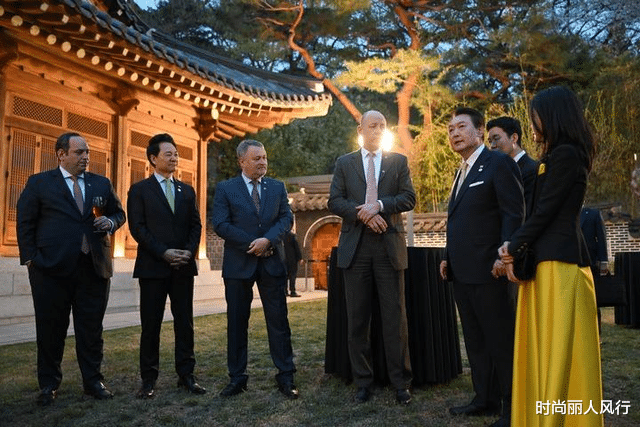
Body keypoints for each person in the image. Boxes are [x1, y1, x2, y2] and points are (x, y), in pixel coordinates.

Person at [499, 86, 604, 427]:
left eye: (536, 116)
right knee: (545, 350)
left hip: (561, 266)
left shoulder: (567, 156)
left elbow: (545, 213)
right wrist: (515, 247)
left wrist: (512, 247)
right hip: (547, 264)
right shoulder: (556, 156)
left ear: (554, 115)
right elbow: (538, 215)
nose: (533, 123)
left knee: (560, 354)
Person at [16, 132, 126, 406]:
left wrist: (110, 223)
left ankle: (93, 382)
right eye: (79, 153)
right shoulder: (40, 183)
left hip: (94, 268)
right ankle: (49, 385)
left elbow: (118, 213)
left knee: (91, 330)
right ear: (61, 154)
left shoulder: (101, 183)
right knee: (50, 329)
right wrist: (31, 259)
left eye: (87, 152)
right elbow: (25, 222)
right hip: (50, 271)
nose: (86, 157)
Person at [440, 107, 523, 427]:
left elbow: (513, 215)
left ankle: (512, 407)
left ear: (479, 131)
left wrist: (505, 256)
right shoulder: (461, 170)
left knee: (500, 341)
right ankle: (483, 399)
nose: (454, 133)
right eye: (450, 129)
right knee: (475, 339)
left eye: (461, 127)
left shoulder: (498, 163)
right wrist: (447, 255)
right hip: (462, 271)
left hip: (491, 271)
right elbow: (457, 221)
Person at [328, 110, 415, 405]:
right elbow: (335, 200)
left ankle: (400, 382)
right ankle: (363, 382)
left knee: (395, 318)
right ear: (360, 129)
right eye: (372, 125)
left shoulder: (398, 162)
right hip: (357, 250)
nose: (377, 130)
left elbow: (408, 198)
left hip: (389, 248)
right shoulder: (344, 163)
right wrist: (363, 215)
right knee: (358, 319)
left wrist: (378, 205)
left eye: (382, 126)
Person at [212, 139, 298, 400]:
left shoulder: (277, 187)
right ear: (242, 161)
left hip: (272, 262)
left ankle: (286, 376)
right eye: (257, 158)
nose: (263, 162)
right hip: (239, 265)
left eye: (264, 157)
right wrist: (252, 244)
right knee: (237, 323)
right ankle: (237, 378)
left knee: (278, 322)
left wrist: (268, 240)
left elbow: (286, 218)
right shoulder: (226, 188)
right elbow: (220, 224)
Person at [127, 133, 205, 399]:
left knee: (185, 323)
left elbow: (196, 225)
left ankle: (187, 375)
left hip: (183, 267)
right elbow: (137, 228)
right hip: (153, 267)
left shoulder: (187, 190)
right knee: (151, 325)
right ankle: (148, 379)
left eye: (176, 154)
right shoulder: (139, 190)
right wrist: (163, 252)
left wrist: (188, 252)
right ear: (153, 158)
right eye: (168, 154)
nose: (174, 158)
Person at [487, 116, 538, 218]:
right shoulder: (495, 172)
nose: (492, 145)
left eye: (496, 138)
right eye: (489, 141)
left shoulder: (532, 170)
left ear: (514, 138)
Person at [283, 230, 303, 297]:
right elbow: (296, 247)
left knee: (285, 276)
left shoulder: (281, 235)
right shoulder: (292, 236)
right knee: (292, 275)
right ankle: (292, 291)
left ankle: (285, 291)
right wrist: (300, 258)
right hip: (292, 259)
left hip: (283, 259)